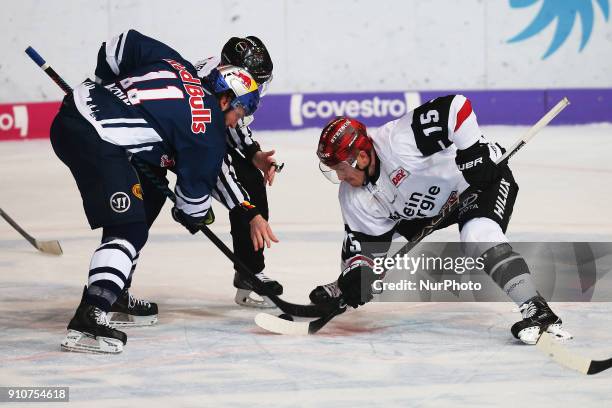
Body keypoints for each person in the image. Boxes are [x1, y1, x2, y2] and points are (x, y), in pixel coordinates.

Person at [51, 29, 261, 354]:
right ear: (224, 99)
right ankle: (90, 317)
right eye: (239, 113)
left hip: (74, 113)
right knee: (129, 228)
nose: (236, 123)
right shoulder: (209, 132)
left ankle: (114, 292)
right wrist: (194, 215)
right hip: (97, 141)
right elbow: (191, 208)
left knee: (144, 202)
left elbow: (119, 45)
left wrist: (108, 91)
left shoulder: (178, 66)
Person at [310, 95, 572, 345]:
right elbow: (366, 244)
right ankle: (346, 284)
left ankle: (536, 308)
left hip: (477, 183)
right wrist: (361, 273)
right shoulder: (353, 196)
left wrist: (472, 152)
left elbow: (456, 107)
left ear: (363, 157)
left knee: (477, 236)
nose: (340, 178)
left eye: (341, 170)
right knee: (359, 259)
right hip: (427, 207)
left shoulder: (399, 140)